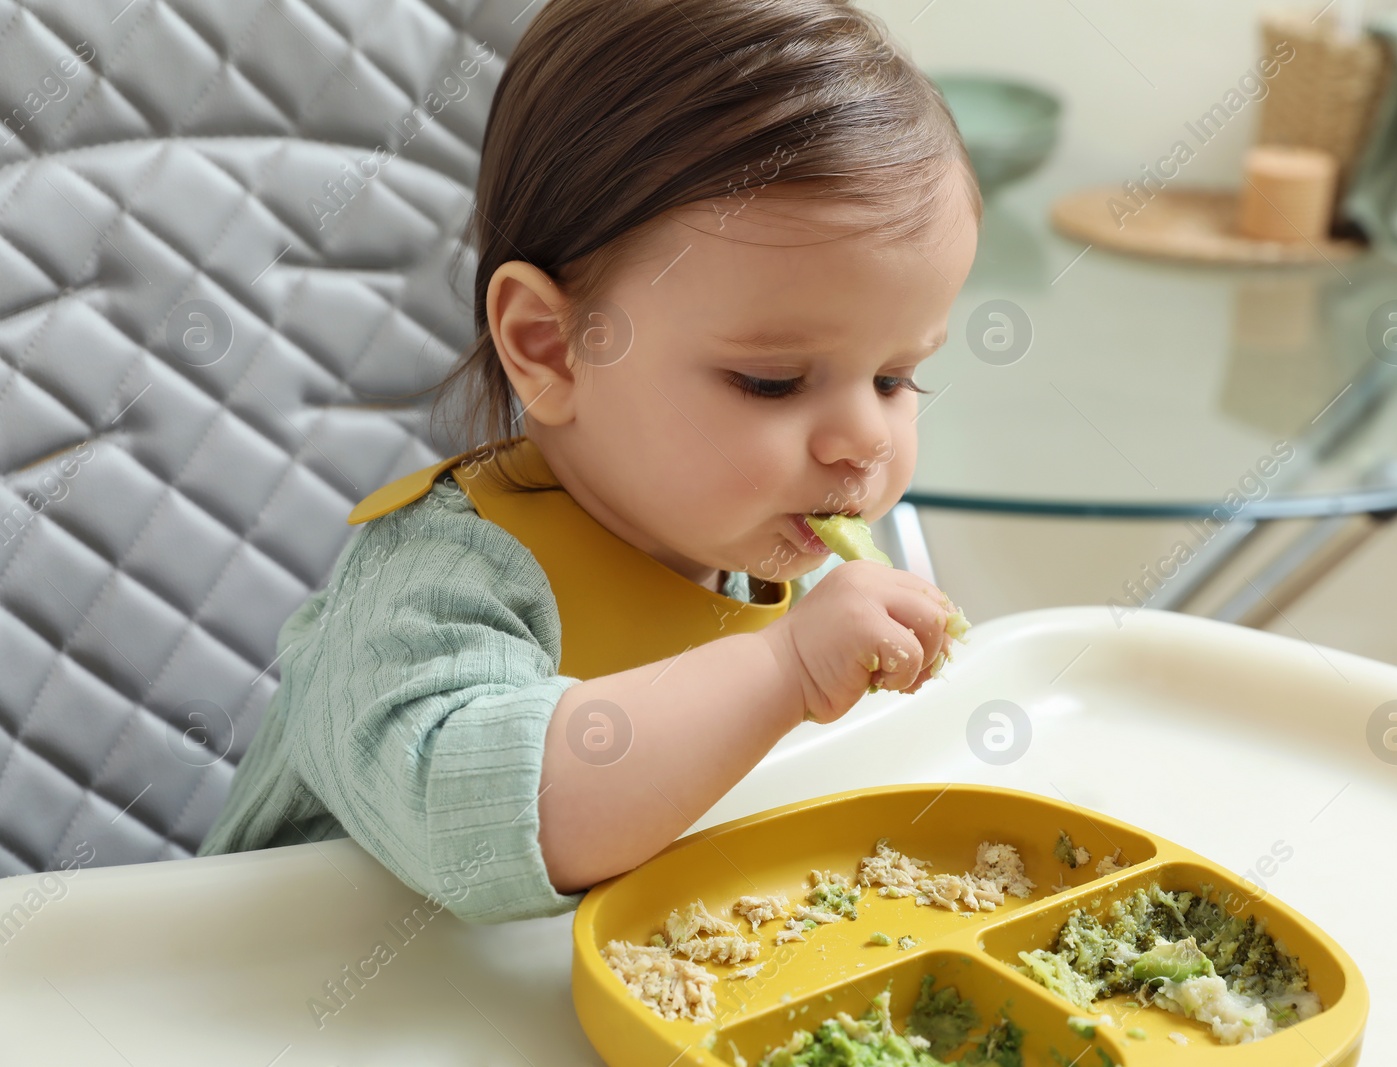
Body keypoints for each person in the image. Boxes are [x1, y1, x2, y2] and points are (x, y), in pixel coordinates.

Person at [199, 0, 982, 923]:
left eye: (895, 377)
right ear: (553, 347)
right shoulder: (440, 585)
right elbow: (478, 823)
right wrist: (786, 674)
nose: (865, 439)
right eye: (771, 382)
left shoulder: (752, 552)